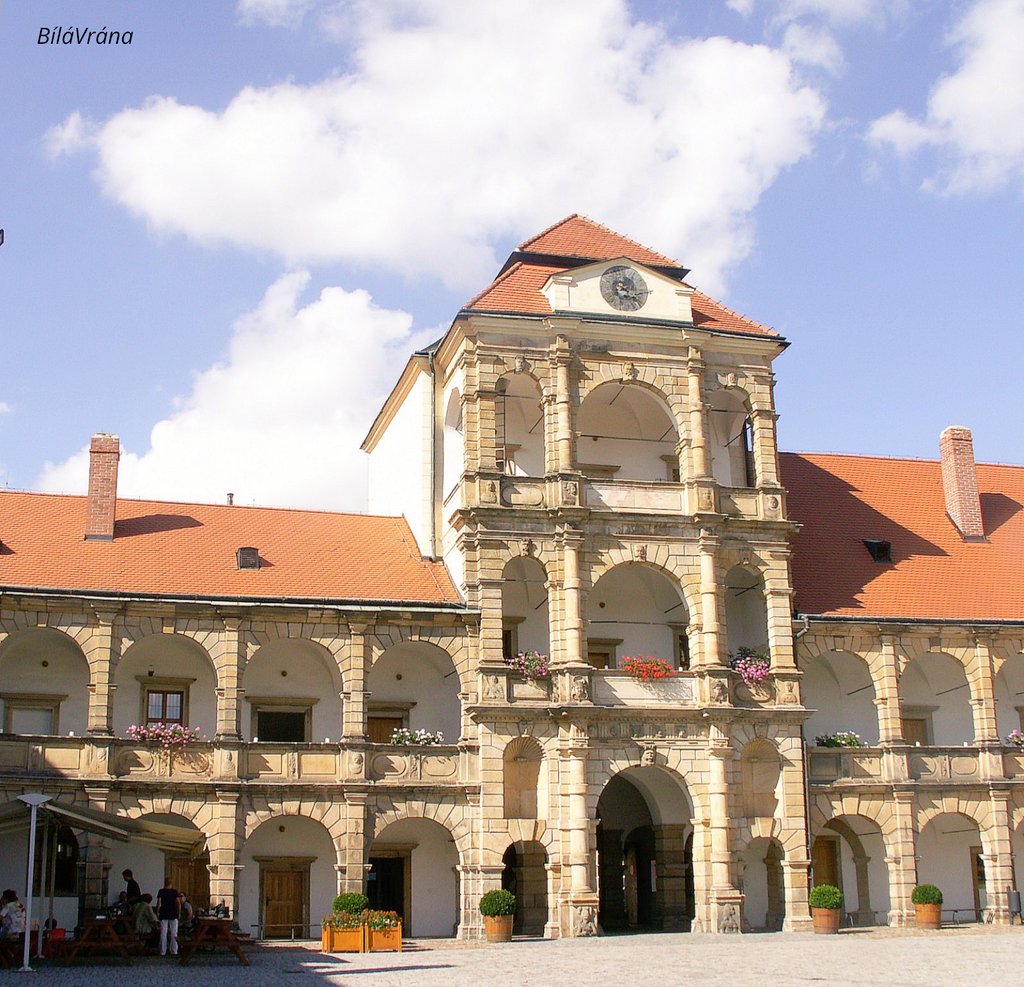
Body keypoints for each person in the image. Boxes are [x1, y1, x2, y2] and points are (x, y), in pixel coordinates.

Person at [155, 876, 180, 956]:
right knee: (174, 933)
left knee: (163, 932)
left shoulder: (161, 892)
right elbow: (178, 903)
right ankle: (174, 950)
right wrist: (179, 912)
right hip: (173, 913)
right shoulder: (175, 892)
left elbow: (159, 903)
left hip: (164, 913)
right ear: (171, 883)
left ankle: (163, 951)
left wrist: (157, 912)